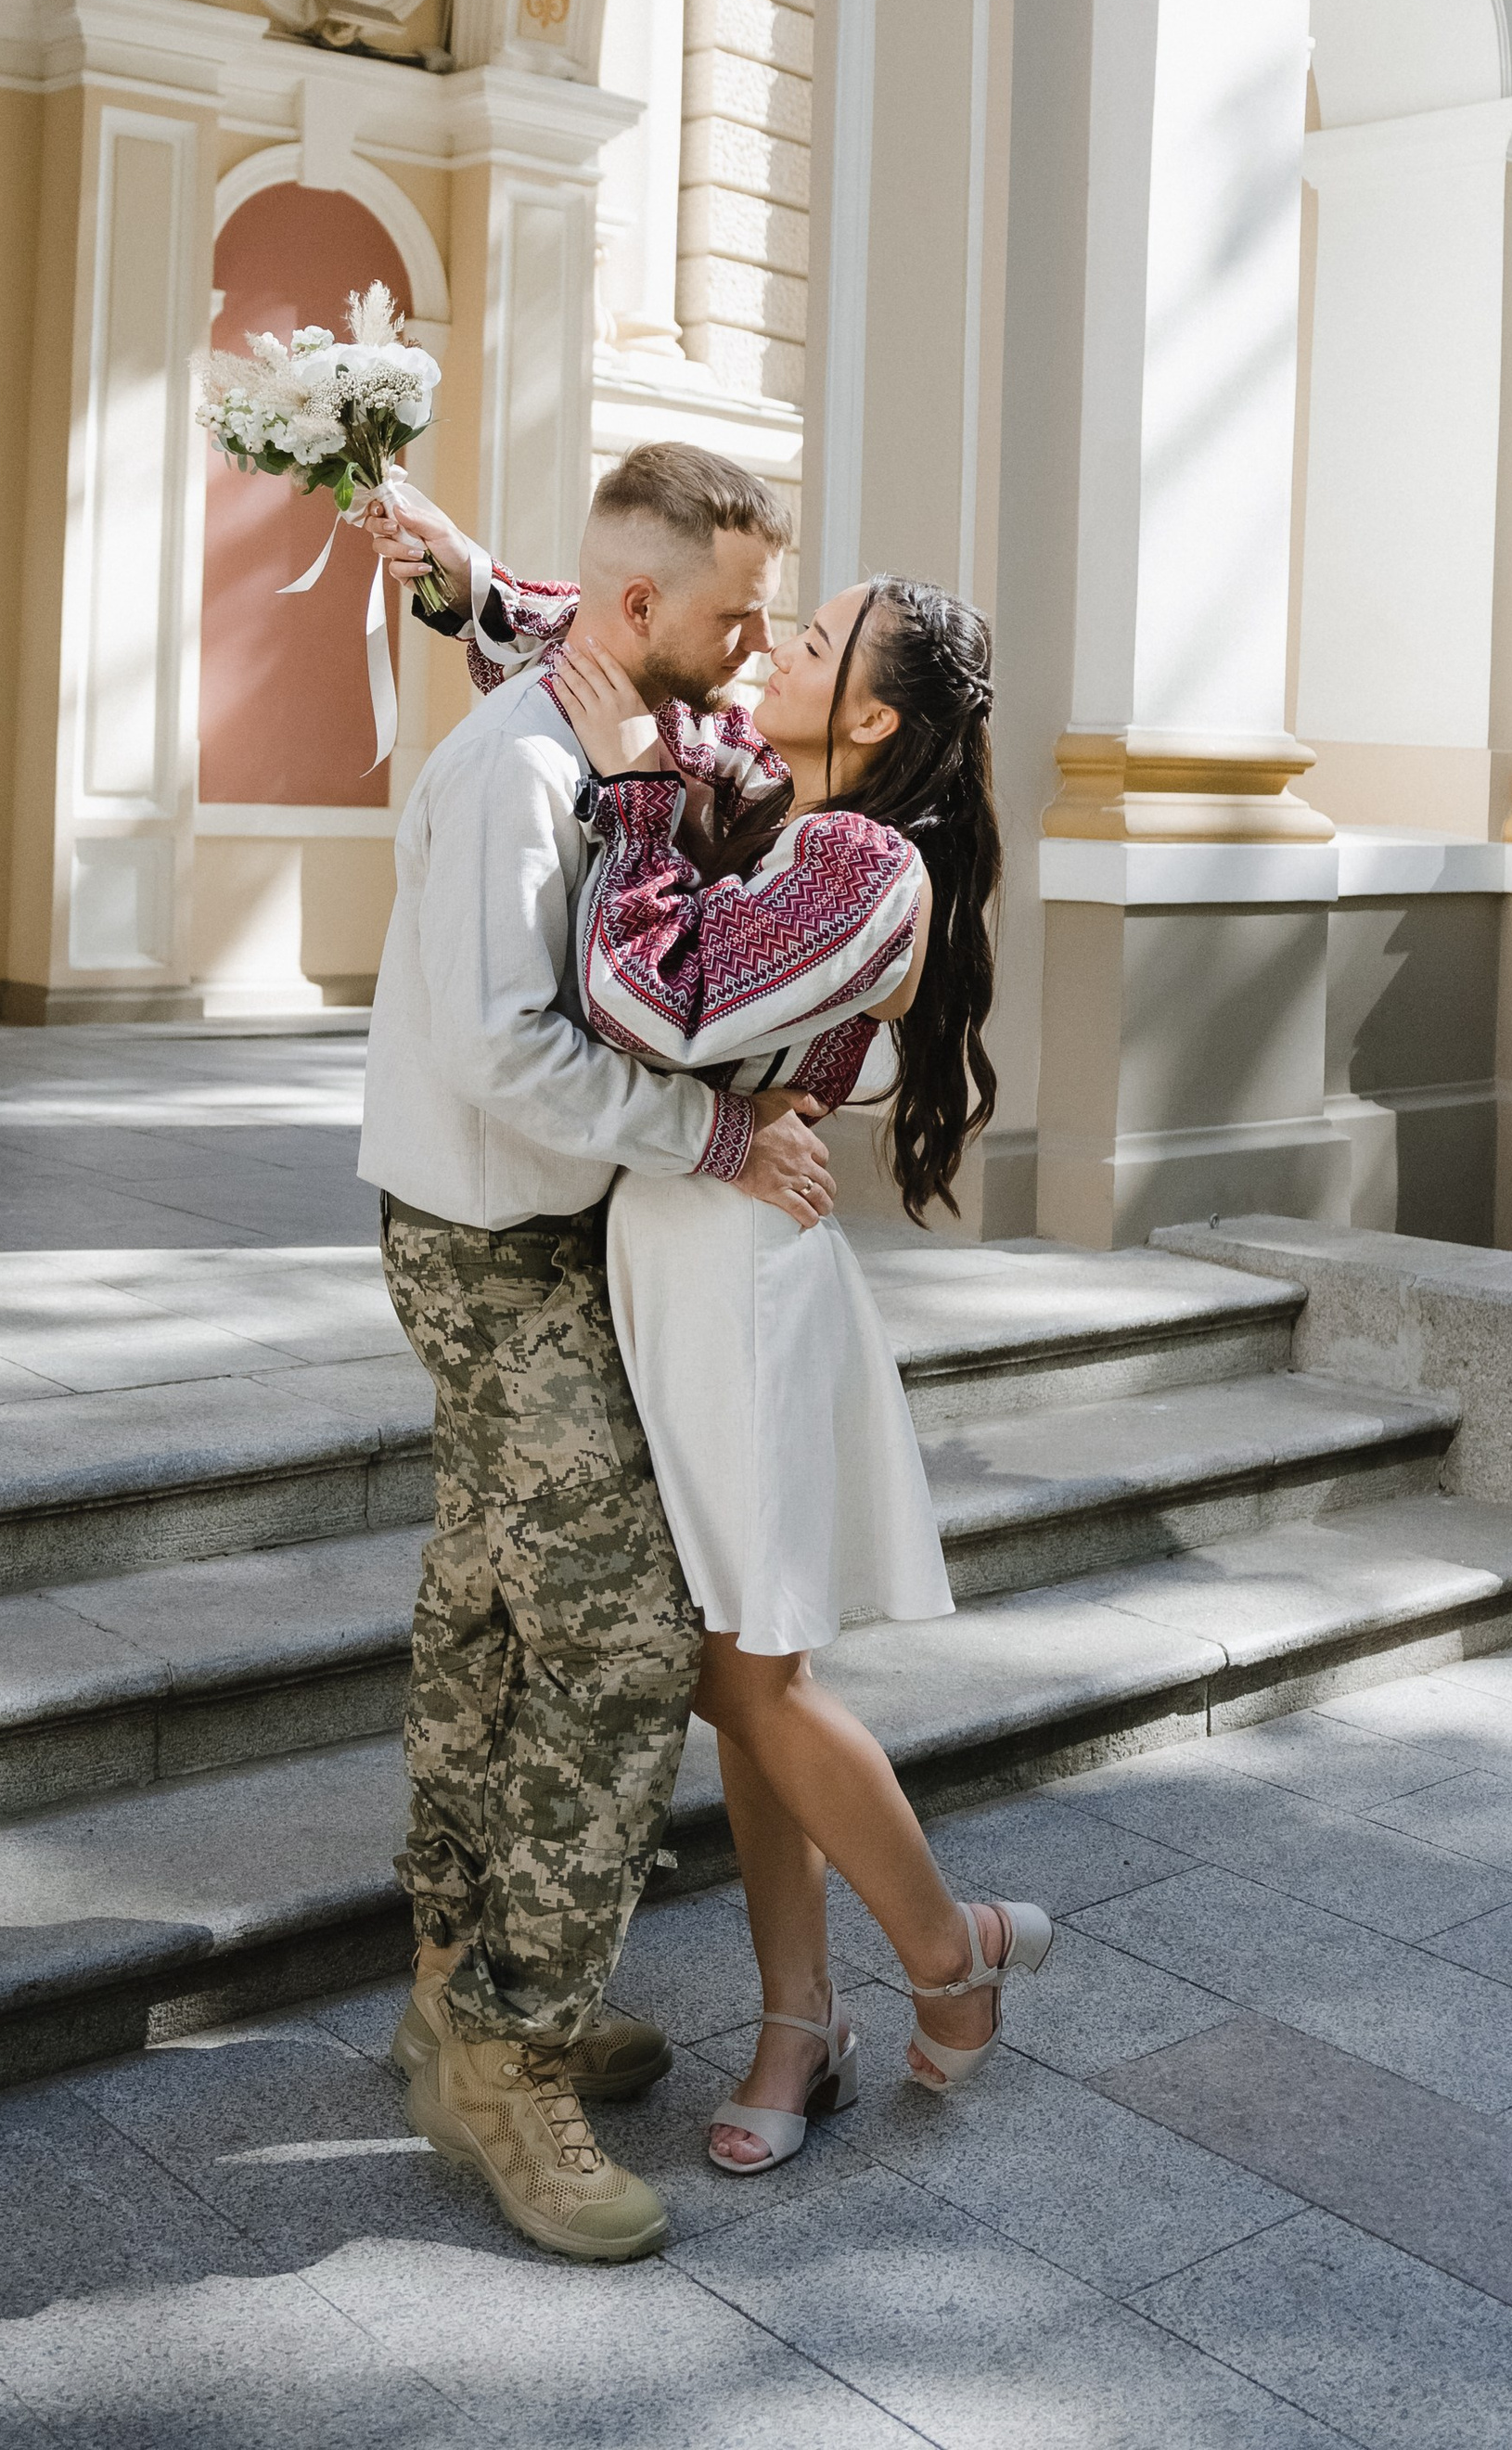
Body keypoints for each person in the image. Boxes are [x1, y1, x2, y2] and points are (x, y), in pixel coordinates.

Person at [369, 476, 1052, 2186]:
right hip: (663, 1248)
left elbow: (655, 1000)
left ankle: (945, 1957)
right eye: (762, 619)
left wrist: (624, 791)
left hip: (737, 1271)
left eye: (806, 638)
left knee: (742, 1670)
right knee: (740, 1663)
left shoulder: (861, 862)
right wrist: (469, 581)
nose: (766, 651)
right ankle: (797, 2017)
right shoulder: (754, 777)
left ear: (872, 713)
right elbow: (624, 639)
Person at [355, 443, 837, 2266]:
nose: (752, 644)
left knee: (489, 1607)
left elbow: (577, 630)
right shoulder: (526, 768)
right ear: (646, 608)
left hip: (541, 1239)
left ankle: (448, 1984)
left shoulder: (608, 723)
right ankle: (509, 2052)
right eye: (732, 615)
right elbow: (500, 1052)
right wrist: (716, 1136)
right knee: (627, 1640)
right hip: (493, 1249)